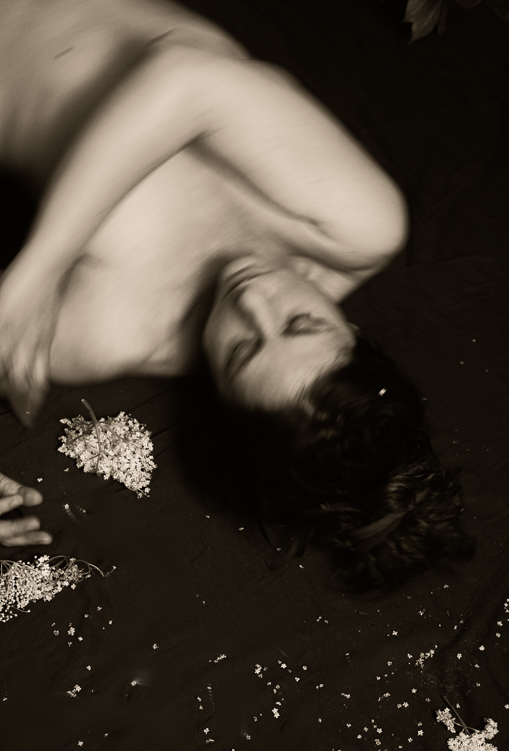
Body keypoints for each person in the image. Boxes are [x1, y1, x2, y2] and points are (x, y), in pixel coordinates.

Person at [0, 0, 474, 586]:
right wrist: (38, 267)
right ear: (351, 331)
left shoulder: (109, 331)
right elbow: (186, 77)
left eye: (241, 350)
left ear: (218, 393)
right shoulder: (355, 225)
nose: (252, 301)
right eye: (301, 323)